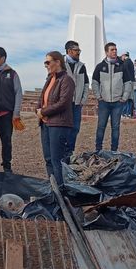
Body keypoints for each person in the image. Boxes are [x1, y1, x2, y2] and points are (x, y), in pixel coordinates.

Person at [36, 51, 75, 186]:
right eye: (45, 62)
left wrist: (44, 111)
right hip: (46, 123)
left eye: (48, 62)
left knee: (57, 159)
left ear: (58, 62)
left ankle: (61, 190)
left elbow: (63, 102)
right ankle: (53, 188)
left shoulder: (67, 80)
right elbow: (42, 98)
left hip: (59, 124)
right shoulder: (50, 79)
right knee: (48, 159)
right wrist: (38, 110)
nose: (46, 65)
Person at [92, 42, 132, 152]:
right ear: (106, 52)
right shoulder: (100, 67)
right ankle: (98, 150)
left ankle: (114, 151)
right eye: (112, 50)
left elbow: (128, 83)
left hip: (117, 103)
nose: (115, 51)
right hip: (103, 102)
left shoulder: (122, 66)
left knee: (115, 127)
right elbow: (95, 82)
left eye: (115, 49)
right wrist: (98, 96)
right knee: (101, 127)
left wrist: (124, 98)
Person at [64, 40, 89, 156]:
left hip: (76, 104)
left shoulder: (81, 66)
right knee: (63, 128)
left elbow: (85, 84)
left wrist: (83, 100)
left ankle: (70, 152)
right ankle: (61, 151)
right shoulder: (60, 64)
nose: (79, 52)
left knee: (75, 128)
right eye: (76, 50)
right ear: (69, 51)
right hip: (63, 104)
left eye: (79, 50)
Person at [120, 51, 135, 117]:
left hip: (127, 82)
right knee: (130, 99)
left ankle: (124, 113)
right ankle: (128, 113)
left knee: (125, 98)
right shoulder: (131, 62)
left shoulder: (126, 62)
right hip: (131, 81)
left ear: (124, 55)